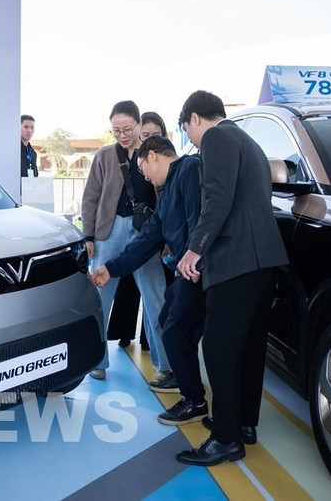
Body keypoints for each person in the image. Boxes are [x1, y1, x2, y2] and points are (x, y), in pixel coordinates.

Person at [175, 90, 288, 466]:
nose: (190, 139)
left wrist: (195, 248)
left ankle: (225, 439)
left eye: (186, 129)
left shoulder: (217, 137)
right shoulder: (247, 140)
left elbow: (218, 197)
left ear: (194, 118)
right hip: (263, 259)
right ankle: (242, 423)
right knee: (249, 346)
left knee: (219, 347)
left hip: (236, 259)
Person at [91, 135, 208, 426]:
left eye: (143, 167)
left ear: (153, 155)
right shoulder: (166, 193)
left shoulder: (190, 169)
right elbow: (146, 239)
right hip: (189, 269)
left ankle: (194, 401)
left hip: (199, 269)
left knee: (174, 330)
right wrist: (111, 268)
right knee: (170, 320)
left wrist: (196, 255)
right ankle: (185, 382)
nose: (143, 175)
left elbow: (199, 218)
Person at [81, 100, 167, 380]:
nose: (122, 135)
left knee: (156, 297)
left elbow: (164, 195)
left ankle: (164, 364)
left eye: (127, 128)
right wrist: (89, 235)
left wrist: (166, 235)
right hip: (110, 229)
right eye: (116, 130)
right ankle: (97, 360)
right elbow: (91, 196)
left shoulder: (153, 154)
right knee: (100, 294)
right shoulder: (104, 156)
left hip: (147, 231)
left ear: (140, 124)